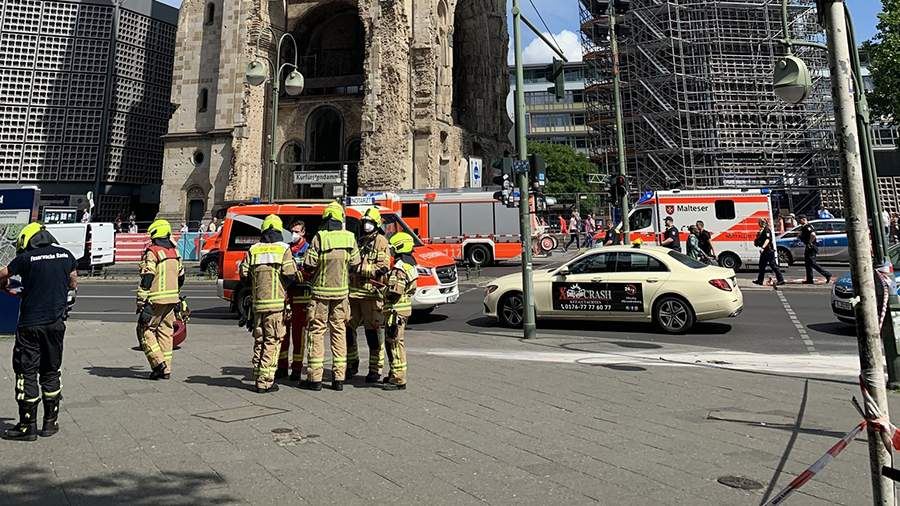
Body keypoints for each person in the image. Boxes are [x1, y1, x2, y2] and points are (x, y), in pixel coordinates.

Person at [0, 223, 77, 441]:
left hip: (30, 326)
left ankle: (27, 426)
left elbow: (3, 274)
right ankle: (50, 423)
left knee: (27, 373)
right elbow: (73, 282)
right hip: (55, 324)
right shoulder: (66, 255)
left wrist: (5, 285)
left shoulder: (26, 258)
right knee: (51, 370)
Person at [301, 203, 361, 392]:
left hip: (320, 293)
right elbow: (356, 263)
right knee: (339, 332)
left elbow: (309, 263)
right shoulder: (350, 237)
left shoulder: (320, 237)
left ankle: (315, 379)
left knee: (317, 333)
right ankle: (338, 378)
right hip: (342, 294)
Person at [239, 214, 300, 393]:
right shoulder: (283, 249)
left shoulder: (254, 249)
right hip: (276, 305)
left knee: (260, 339)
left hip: (258, 304)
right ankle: (265, 381)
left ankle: (258, 373)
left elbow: (243, 274)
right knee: (272, 341)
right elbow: (290, 274)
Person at [136, 219, 185, 380]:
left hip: (155, 300)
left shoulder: (153, 251)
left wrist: (141, 299)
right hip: (172, 299)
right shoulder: (175, 253)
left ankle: (158, 363)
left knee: (144, 330)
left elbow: (148, 276)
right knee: (166, 332)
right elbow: (181, 277)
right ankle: (167, 370)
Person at [347, 207, 391, 383]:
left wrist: (359, 269)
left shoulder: (381, 242)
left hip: (372, 296)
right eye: (365, 222)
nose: (366, 225)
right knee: (348, 330)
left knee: (373, 334)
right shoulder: (360, 241)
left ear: (376, 224)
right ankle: (351, 363)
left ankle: (375, 369)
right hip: (354, 294)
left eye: (369, 222)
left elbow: (383, 268)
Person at [382, 232, 419, 391]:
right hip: (403, 310)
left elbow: (395, 291)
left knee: (395, 344)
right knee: (395, 342)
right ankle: (394, 374)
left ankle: (398, 379)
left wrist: (383, 291)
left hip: (395, 312)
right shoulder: (411, 264)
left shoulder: (400, 268)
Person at [276, 220, 311, 381]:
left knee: (299, 334)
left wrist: (301, 273)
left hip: (302, 295)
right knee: (282, 332)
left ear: (303, 233)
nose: (294, 234)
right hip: (287, 294)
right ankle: (282, 366)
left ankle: (296, 368)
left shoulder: (308, 249)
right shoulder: (287, 248)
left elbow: (311, 270)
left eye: (297, 231)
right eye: (292, 231)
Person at [798, 217, 832, 284]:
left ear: (804, 219)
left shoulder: (807, 227)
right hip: (809, 246)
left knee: (812, 263)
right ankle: (809, 279)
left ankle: (827, 274)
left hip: (811, 247)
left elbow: (813, 235)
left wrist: (810, 242)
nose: (799, 221)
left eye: (800, 220)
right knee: (808, 264)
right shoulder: (805, 227)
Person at [753, 218, 785, 286]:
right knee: (761, 266)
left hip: (768, 251)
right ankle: (760, 280)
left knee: (773, 265)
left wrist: (763, 247)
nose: (758, 223)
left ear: (763, 223)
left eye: (760, 222)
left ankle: (781, 280)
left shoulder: (767, 230)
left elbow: (767, 240)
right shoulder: (761, 230)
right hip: (764, 252)